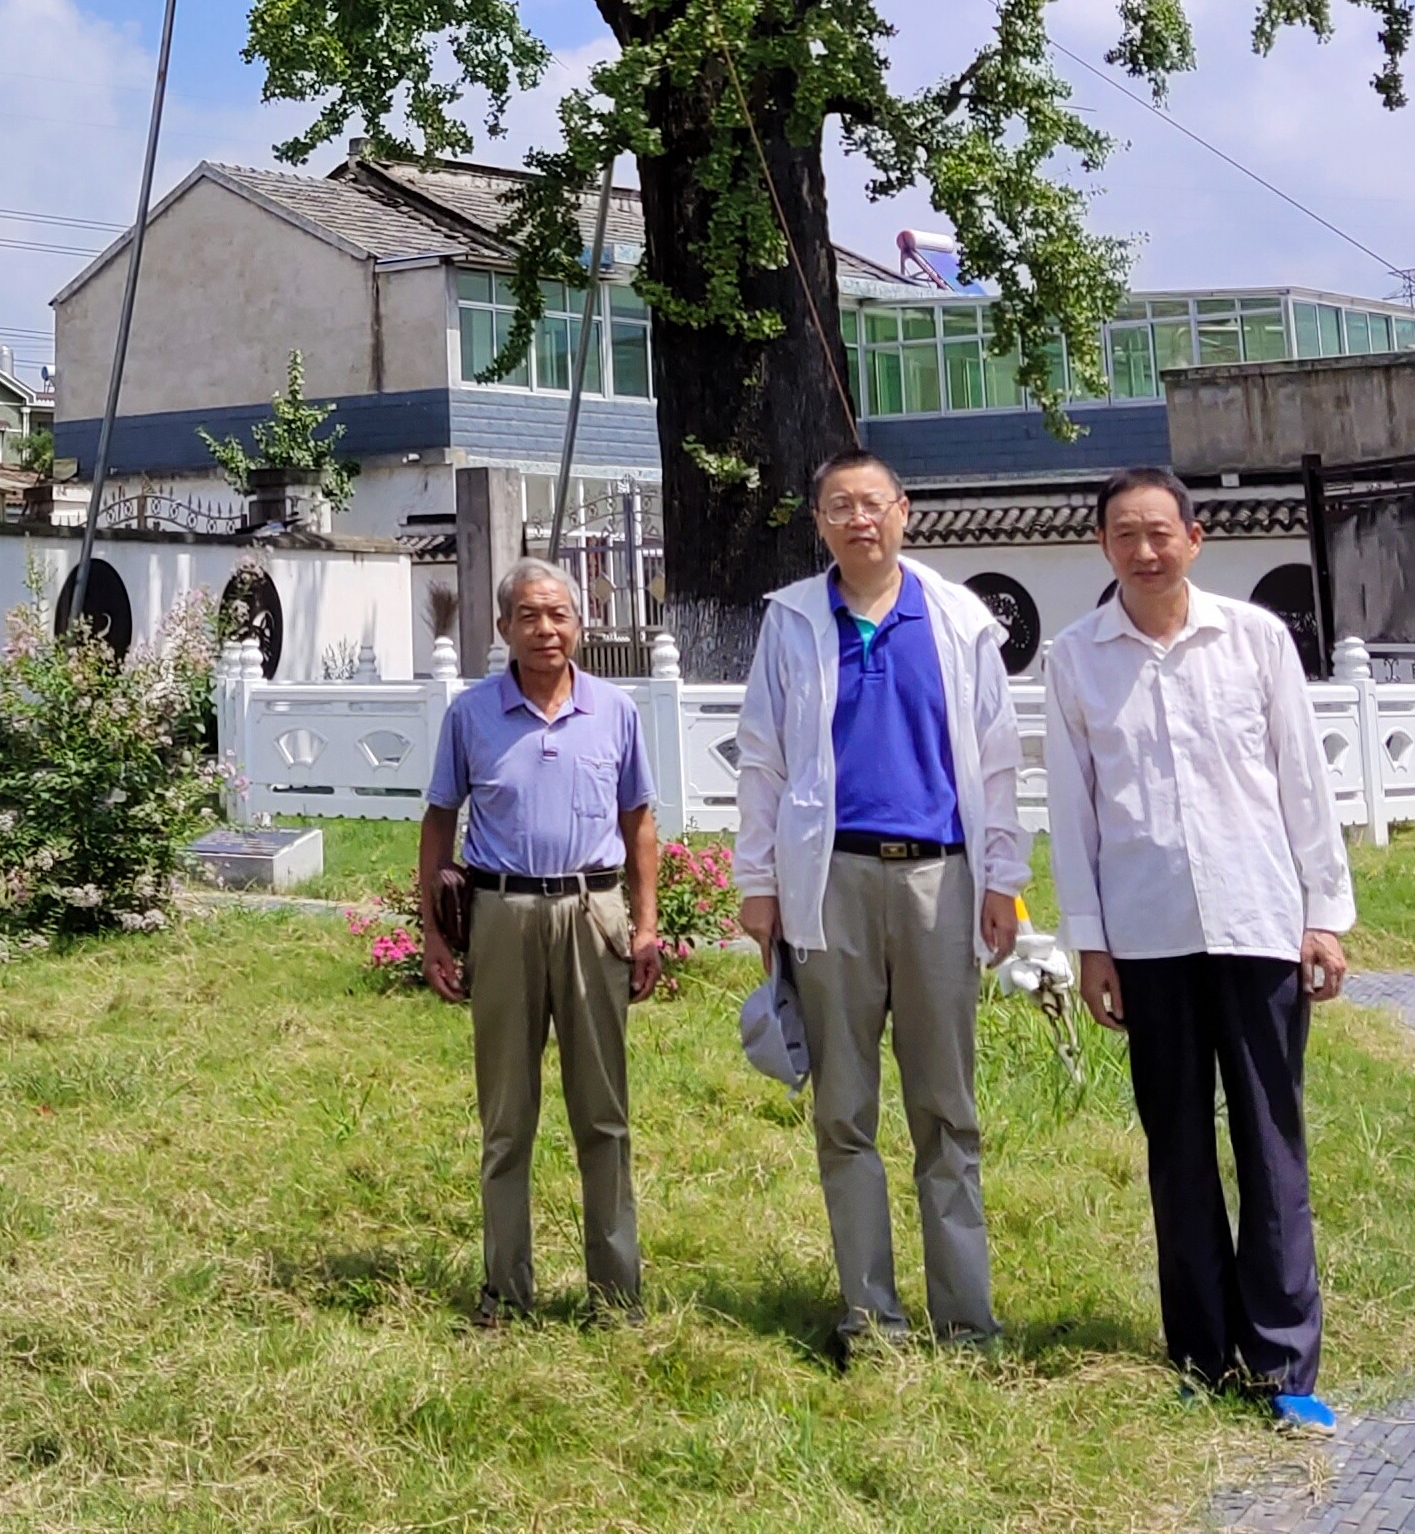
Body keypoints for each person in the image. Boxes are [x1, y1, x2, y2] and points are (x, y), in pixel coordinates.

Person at [1041, 463, 1359, 1433]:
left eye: (1159, 532)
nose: (1144, 551)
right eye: (1124, 535)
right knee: (1176, 1146)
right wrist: (1089, 945)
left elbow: (1302, 783)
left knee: (1270, 1141)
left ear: (1194, 537)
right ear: (1102, 545)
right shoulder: (1075, 659)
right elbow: (1073, 813)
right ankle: (1199, 1351)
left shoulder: (1253, 639)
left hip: (1259, 922)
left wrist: (1323, 914)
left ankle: (1282, 1360)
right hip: (1147, 936)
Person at [731, 448, 1030, 1346]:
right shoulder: (792, 620)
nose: (858, 520)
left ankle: (966, 1319)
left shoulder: (959, 619)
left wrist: (1004, 882)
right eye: (839, 507)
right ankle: (871, 1315)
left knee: (946, 1107)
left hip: (943, 876)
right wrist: (758, 883)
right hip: (832, 879)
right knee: (844, 1107)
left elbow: (999, 760)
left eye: (872, 504)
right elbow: (761, 760)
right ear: (818, 522)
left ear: (904, 511)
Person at [418, 558, 664, 1319]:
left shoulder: (615, 711)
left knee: (603, 1113)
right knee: (506, 1117)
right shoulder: (471, 715)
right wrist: (434, 934)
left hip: (594, 915)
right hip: (503, 916)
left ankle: (615, 1293)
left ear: (578, 624)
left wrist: (646, 926)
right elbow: (438, 821)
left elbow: (639, 822)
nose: (545, 629)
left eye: (558, 614)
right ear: (503, 628)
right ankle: (506, 1289)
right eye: (528, 615)